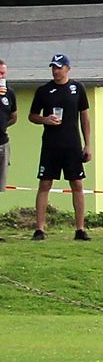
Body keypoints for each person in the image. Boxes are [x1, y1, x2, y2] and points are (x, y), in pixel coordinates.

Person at [28, 54, 92, 241]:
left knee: (77, 184)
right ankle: (40, 229)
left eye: (59, 67)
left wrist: (88, 144)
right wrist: (45, 120)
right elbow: (32, 116)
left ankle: (80, 229)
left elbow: (85, 118)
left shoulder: (77, 88)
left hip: (72, 144)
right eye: (53, 68)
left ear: (67, 68)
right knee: (45, 184)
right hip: (51, 145)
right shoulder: (44, 90)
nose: (56, 71)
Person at [0, 60, 17, 242]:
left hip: (3, 144)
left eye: (3, 73)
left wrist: (3, 126)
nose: (1, 76)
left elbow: (13, 117)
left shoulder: (9, 93)